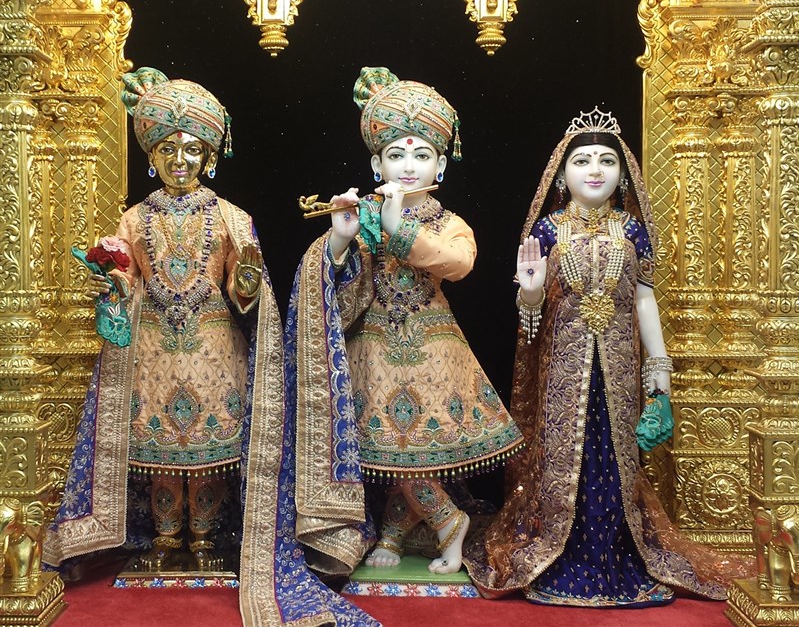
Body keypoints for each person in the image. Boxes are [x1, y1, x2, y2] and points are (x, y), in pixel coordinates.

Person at [44, 67, 380, 627]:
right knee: (159, 454)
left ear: (209, 156)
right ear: (151, 154)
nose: (180, 160)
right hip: (151, 353)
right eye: (168, 149)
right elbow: (128, 275)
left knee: (209, 454)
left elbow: (245, 292)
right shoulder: (134, 217)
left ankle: (203, 537)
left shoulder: (230, 216)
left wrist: (246, 278)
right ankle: (165, 536)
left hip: (215, 352)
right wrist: (114, 278)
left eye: (192, 150)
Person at [464, 107, 753, 606]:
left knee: (616, 460)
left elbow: (645, 302)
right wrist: (530, 291)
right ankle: (560, 560)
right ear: (561, 176)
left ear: (623, 173)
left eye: (606, 160)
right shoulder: (548, 232)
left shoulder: (633, 232)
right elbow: (530, 321)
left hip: (619, 370)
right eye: (582, 161)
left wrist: (659, 376)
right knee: (563, 461)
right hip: (562, 370)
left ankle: (618, 563)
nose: (595, 170)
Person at [288, 66, 523, 578]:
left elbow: (458, 263)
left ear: (441, 162)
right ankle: (399, 530)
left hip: (433, 349)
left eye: (422, 155)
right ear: (377, 163)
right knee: (389, 445)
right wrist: (340, 240)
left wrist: (399, 230)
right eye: (396, 155)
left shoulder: (449, 222)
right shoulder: (366, 217)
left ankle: (447, 522)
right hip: (373, 348)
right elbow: (341, 296)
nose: (409, 166)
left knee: (412, 444)